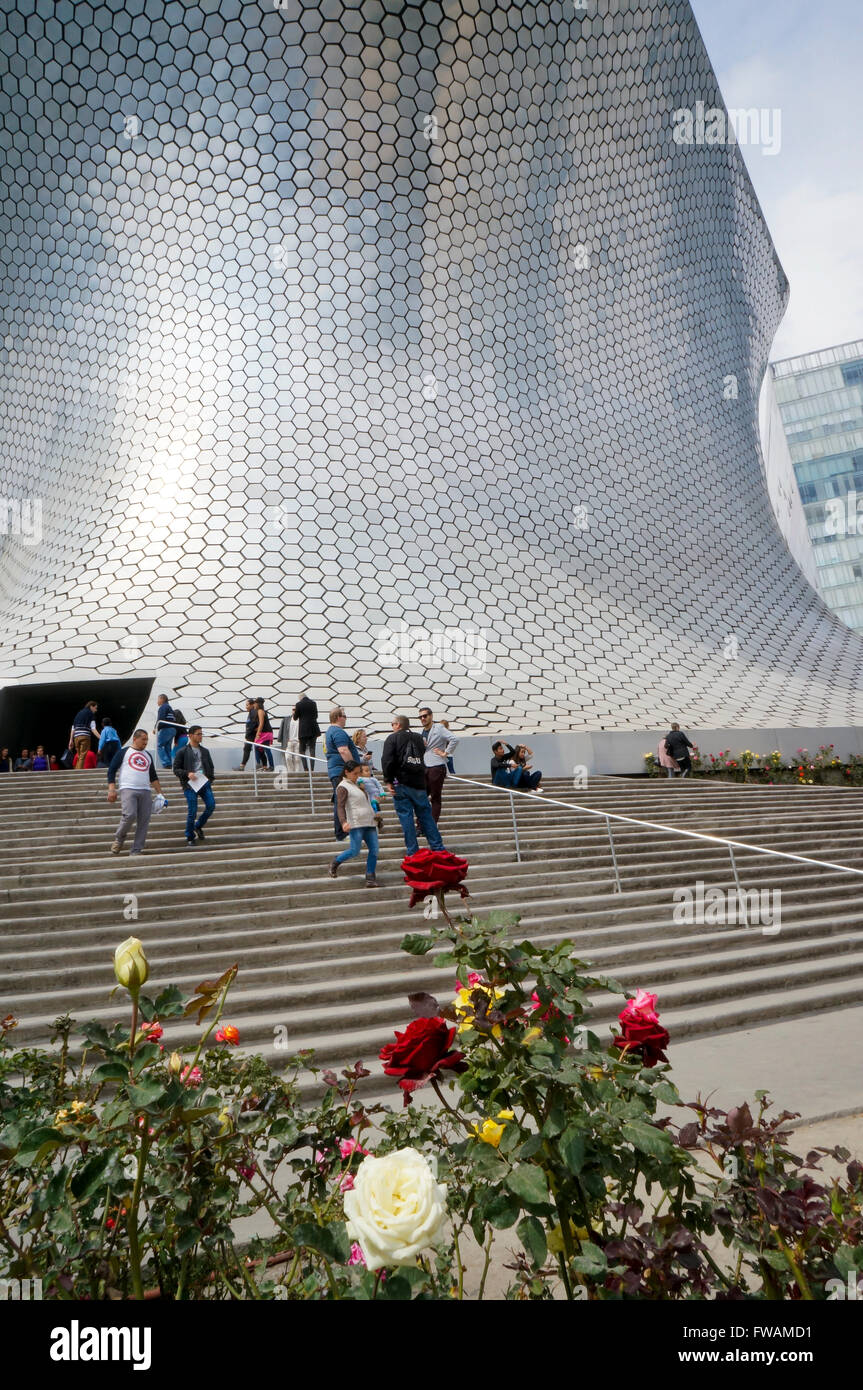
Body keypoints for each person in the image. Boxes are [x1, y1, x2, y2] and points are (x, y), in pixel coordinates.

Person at [381, 715, 447, 858]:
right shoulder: (419, 738)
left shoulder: (392, 738)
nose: (392, 726)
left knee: (406, 818)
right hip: (419, 783)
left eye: (392, 724)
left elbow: (387, 760)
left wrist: (388, 780)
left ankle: (413, 852)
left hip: (401, 783)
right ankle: (438, 848)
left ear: (398, 725)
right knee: (426, 816)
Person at [107, 729, 162, 856]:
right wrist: (111, 789)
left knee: (144, 820)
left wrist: (160, 793)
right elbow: (111, 770)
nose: (146, 742)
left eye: (147, 739)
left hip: (145, 790)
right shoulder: (124, 752)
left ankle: (136, 850)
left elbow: (153, 776)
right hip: (128, 788)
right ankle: (119, 838)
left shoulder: (147, 755)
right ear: (135, 739)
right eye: (143, 739)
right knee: (129, 815)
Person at [329, 760, 380, 887]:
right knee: (354, 850)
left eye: (359, 773)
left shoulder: (359, 784)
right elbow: (339, 807)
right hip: (356, 823)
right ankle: (336, 862)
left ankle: (370, 877)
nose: (358, 776)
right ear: (346, 772)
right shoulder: (343, 787)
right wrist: (343, 822)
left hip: (369, 821)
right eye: (355, 773)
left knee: (374, 850)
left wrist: (377, 814)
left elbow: (368, 802)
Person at [325, 708, 370, 840]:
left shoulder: (330, 731)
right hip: (341, 770)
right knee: (342, 801)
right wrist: (354, 769)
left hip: (337, 770)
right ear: (339, 717)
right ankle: (342, 832)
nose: (346, 719)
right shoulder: (338, 731)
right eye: (345, 716)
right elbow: (343, 750)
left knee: (341, 800)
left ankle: (343, 831)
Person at [173, 725, 216, 846]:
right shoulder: (182, 751)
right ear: (190, 735)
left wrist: (209, 779)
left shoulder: (205, 751)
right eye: (198, 734)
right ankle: (190, 836)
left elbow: (210, 766)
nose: (201, 736)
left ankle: (198, 826)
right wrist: (187, 774)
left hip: (204, 783)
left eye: (201, 734)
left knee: (211, 805)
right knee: (192, 811)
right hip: (190, 785)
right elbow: (176, 769)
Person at [418, 706, 458, 822]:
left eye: (425, 716)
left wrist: (445, 753)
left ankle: (431, 826)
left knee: (435, 798)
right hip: (425, 765)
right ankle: (421, 825)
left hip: (436, 766)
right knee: (421, 797)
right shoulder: (423, 731)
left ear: (431, 716)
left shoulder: (439, 727)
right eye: (420, 717)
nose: (422, 719)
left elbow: (454, 739)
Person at [292, 694, 321, 773]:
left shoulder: (298, 704)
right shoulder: (313, 703)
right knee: (312, 749)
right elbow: (316, 716)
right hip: (313, 728)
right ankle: (312, 769)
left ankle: (306, 769)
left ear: (300, 698)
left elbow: (295, 718)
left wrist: (294, 712)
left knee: (302, 750)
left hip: (303, 730)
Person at [70, 700, 98, 769]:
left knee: (79, 756)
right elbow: (93, 728)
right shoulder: (90, 714)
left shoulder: (78, 713)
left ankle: (77, 771)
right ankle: (78, 773)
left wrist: (71, 740)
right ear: (91, 706)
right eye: (95, 708)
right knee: (83, 756)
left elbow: (73, 728)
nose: (96, 710)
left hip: (76, 737)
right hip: (85, 737)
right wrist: (101, 737)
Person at [152, 694, 177, 769]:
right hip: (173, 730)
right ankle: (169, 764)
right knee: (167, 747)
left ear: (162, 699)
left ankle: (166, 763)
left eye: (158, 699)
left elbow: (161, 719)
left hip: (166, 729)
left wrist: (156, 728)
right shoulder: (170, 709)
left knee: (158, 745)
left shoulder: (162, 707)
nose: (157, 701)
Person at [234, 698, 259, 771]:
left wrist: (250, 733)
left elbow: (254, 724)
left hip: (252, 736)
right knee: (249, 749)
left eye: (247, 705)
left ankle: (242, 766)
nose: (246, 707)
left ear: (252, 705)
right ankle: (257, 765)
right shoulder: (251, 712)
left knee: (247, 749)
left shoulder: (253, 712)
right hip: (250, 735)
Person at [252, 697, 274, 770]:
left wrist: (257, 735)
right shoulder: (260, 711)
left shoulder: (260, 711)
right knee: (259, 748)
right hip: (266, 732)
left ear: (258, 704)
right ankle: (263, 766)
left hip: (265, 733)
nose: (254, 704)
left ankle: (269, 766)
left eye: (255, 703)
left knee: (265, 749)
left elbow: (261, 724)